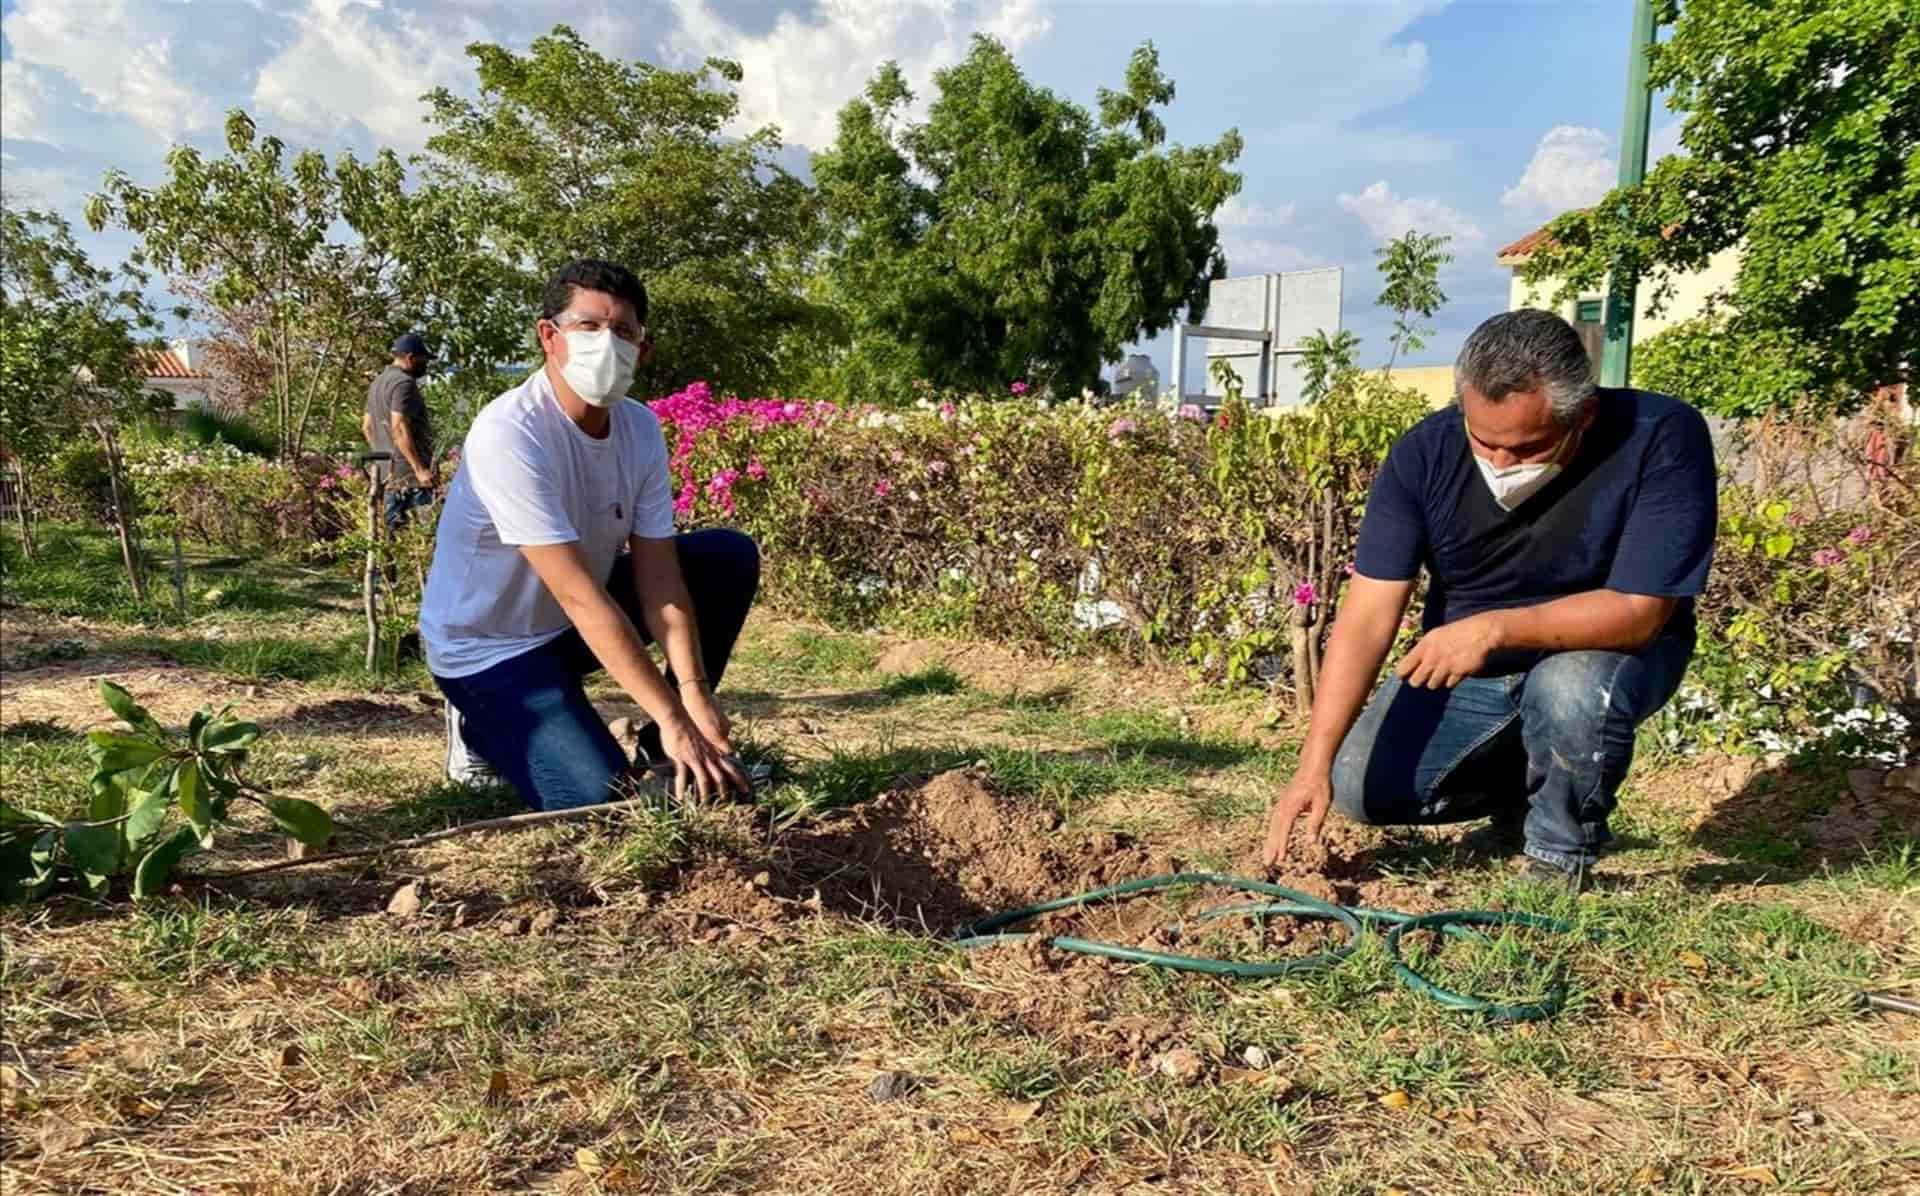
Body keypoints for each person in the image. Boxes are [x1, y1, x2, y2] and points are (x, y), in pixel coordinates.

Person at [1261, 309, 1717, 892]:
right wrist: (1314, 762)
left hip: (1608, 652)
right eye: (1484, 442)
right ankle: (1523, 795)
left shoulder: (1659, 435)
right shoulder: (1424, 454)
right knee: (1360, 788)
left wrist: (1494, 629)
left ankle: (1558, 858)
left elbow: (1638, 613)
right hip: (1478, 666)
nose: (1500, 465)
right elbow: (1367, 614)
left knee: (1570, 685)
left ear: (1583, 416)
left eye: (1526, 449)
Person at [419, 259, 758, 810]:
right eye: (588, 326)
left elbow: (660, 579)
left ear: (642, 350)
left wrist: (691, 697)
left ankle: (664, 750)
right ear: (549, 336)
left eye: (623, 331)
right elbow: (579, 595)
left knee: (726, 558)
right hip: (488, 648)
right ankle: (477, 727)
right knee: (598, 798)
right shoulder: (512, 433)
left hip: (566, 627)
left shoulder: (640, 429)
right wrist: (672, 713)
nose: (607, 343)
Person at [363, 332, 438, 529]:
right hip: (412, 479)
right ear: (410, 357)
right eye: (423, 360)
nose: (426, 365)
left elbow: (367, 427)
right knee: (423, 535)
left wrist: (384, 457)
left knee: (394, 536)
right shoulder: (404, 383)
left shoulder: (378, 383)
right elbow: (398, 427)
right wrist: (420, 469)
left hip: (389, 476)